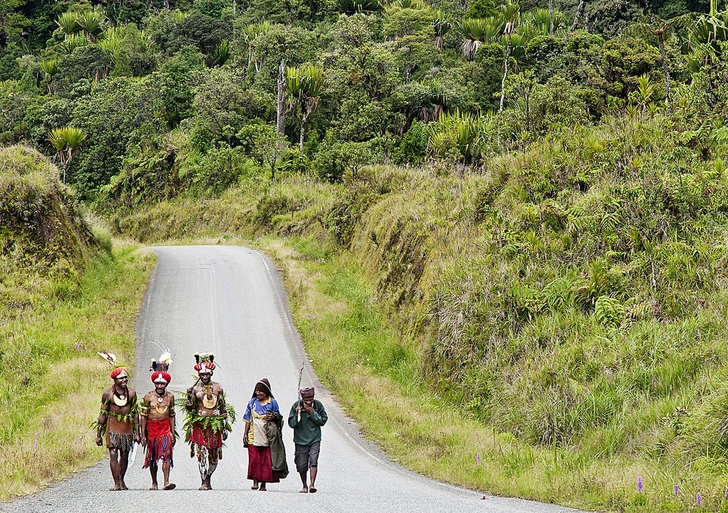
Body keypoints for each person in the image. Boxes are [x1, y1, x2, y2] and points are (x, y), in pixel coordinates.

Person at [184, 353, 230, 490]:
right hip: (200, 425)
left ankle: (209, 476)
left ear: (211, 374)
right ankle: (203, 479)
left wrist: (224, 426)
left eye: (207, 374)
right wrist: (189, 396)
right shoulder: (195, 389)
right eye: (202, 375)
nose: (205, 377)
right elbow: (190, 408)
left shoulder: (218, 388)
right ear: (199, 375)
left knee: (213, 455)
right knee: (202, 453)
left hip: (214, 426)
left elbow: (223, 407)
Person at [95, 367, 141, 491]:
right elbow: (102, 414)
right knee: (113, 453)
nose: (124, 380)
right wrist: (99, 434)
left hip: (127, 427)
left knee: (125, 454)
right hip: (113, 426)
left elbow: (135, 413)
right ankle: (116, 482)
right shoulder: (107, 394)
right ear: (115, 380)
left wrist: (138, 433)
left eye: (125, 377)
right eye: (121, 378)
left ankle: (121, 480)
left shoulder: (131, 393)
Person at [243, 378, 285, 491]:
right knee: (254, 459)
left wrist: (273, 417)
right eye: (256, 391)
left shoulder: (273, 402)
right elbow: (247, 418)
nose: (258, 393)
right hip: (253, 434)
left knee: (265, 460)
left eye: (260, 391)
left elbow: (279, 417)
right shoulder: (252, 403)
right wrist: (245, 434)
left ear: (266, 392)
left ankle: (263, 484)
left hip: (267, 434)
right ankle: (255, 481)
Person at [140, 370, 176, 490]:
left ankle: (166, 481)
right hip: (152, 429)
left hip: (165, 429)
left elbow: (171, 415)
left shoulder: (170, 397)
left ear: (166, 385)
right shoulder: (148, 396)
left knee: (167, 454)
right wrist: (143, 434)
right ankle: (154, 483)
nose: (160, 386)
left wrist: (173, 432)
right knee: (153, 457)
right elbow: (143, 416)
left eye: (162, 384)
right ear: (154, 384)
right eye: (158, 383)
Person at [288, 386, 328, 493]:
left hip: (314, 439)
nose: (309, 402)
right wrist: (297, 415)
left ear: (314, 397)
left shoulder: (318, 405)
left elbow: (323, 421)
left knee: (313, 461)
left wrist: (312, 413)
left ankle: (312, 484)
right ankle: (304, 485)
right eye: (306, 401)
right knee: (301, 465)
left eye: (311, 400)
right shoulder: (296, 406)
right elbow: (291, 424)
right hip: (300, 440)